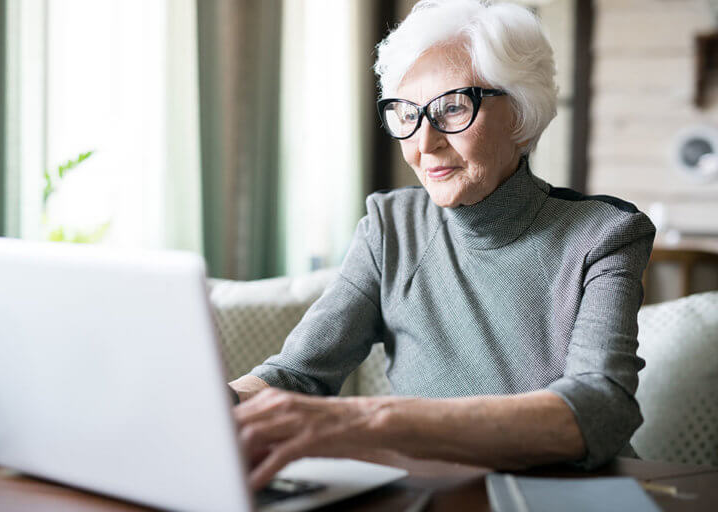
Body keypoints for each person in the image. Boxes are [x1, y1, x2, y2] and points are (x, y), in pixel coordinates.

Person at [229, 0, 655, 490]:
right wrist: (210, 404)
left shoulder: (603, 235)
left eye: (452, 107)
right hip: (438, 494)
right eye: (406, 113)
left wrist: (369, 422)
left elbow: (599, 407)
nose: (423, 142)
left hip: (565, 496)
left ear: (520, 112)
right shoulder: (390, 228)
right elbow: (298, 374)